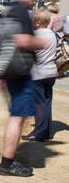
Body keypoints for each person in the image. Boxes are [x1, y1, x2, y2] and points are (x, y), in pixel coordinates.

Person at [0, 0, 48, 177]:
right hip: (20, 73)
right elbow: (22, 41)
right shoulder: (21, 12)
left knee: (18, 117)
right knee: (17, 118)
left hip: (12, 72)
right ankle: (7, 164)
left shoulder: (11, 10)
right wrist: (42, 42)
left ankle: (8, 161)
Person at [21, 9, 58, 142]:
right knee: (47, 102)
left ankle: (39, 132)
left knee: (38, 104)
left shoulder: (35, 35)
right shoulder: (52, 33)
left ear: (37, 22)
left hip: (38, 74)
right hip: (51, 72)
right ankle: (47, 131)